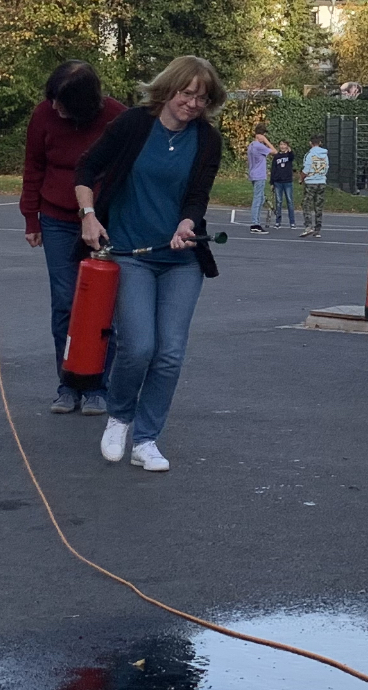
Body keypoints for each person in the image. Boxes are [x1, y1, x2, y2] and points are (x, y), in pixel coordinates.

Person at [73, 56, 226, 473]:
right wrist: (89, 215)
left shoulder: (207, 140)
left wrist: (187, 223)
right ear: (169, 88)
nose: (193, 103)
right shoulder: (134, 124)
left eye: (202, 97)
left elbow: (198, 195)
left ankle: (146, 438)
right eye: (186, 92)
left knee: (170, 353)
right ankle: (120, 416)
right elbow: (87, 167)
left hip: (181, 258)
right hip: (130, 255)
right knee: (138, 346)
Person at [21, 60, 125, 417]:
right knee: (65, 304)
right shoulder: (43, 116)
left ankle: (97, 386)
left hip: (106, 220)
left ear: (82, 104)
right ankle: (68, 384)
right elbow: (33, 166)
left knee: (101, 306)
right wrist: (30, 218)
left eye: (61, 103)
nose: (53, 108)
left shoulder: (115, 116)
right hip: (57, 218)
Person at [300, 135, 330, 238]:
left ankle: (308, 226)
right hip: (321, 181)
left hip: (311, 182)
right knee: (318, 206)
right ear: (320, 143)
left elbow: (306, 169)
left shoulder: (309, 154)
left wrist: (301, 179)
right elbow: (326, 167)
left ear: (310, 143)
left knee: (306, 204)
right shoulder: (325, 155)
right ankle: (318, 229)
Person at [246, 129, 272, 233]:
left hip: (253, 173)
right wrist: (266, 141)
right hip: (259, 175)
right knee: (257, 199)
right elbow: (274, 151)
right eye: (264, 135)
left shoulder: (251, 145)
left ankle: (256, 222)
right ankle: (255, 224)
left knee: (261, 199)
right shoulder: (258, 146)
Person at [269, 141, 297, 229]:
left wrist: (290, 151)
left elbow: (292, 157)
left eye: (284, 144)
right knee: (278, 202)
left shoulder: (289, 156)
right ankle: (278, 222)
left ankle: (292, 222)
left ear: (287, 146)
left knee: (290, 201)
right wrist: (272, 182)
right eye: (281, 144)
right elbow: (273, 169)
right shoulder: (276, 157)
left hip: (287, 182)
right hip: (278, 182)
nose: (282, 146)